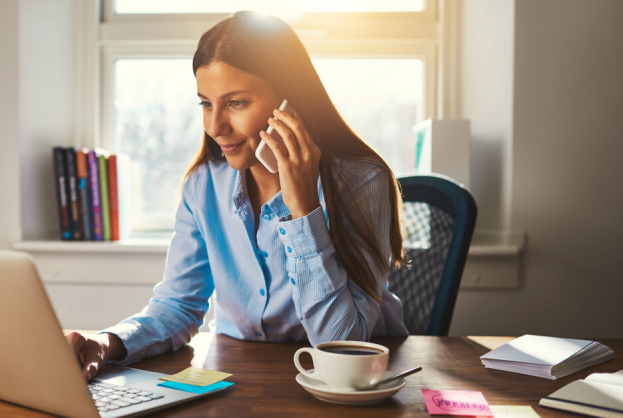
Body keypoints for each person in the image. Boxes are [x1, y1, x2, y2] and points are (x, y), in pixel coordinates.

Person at [66, 11, 408, 381]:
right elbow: (178, 305)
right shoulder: (203, 185)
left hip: (352, 387)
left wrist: (304, 210)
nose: (215, 127)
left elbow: (342, 345)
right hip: (237, 378)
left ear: (290, 102)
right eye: (206, 103)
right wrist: (107, 341)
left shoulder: (360, 181)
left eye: (237, 103)